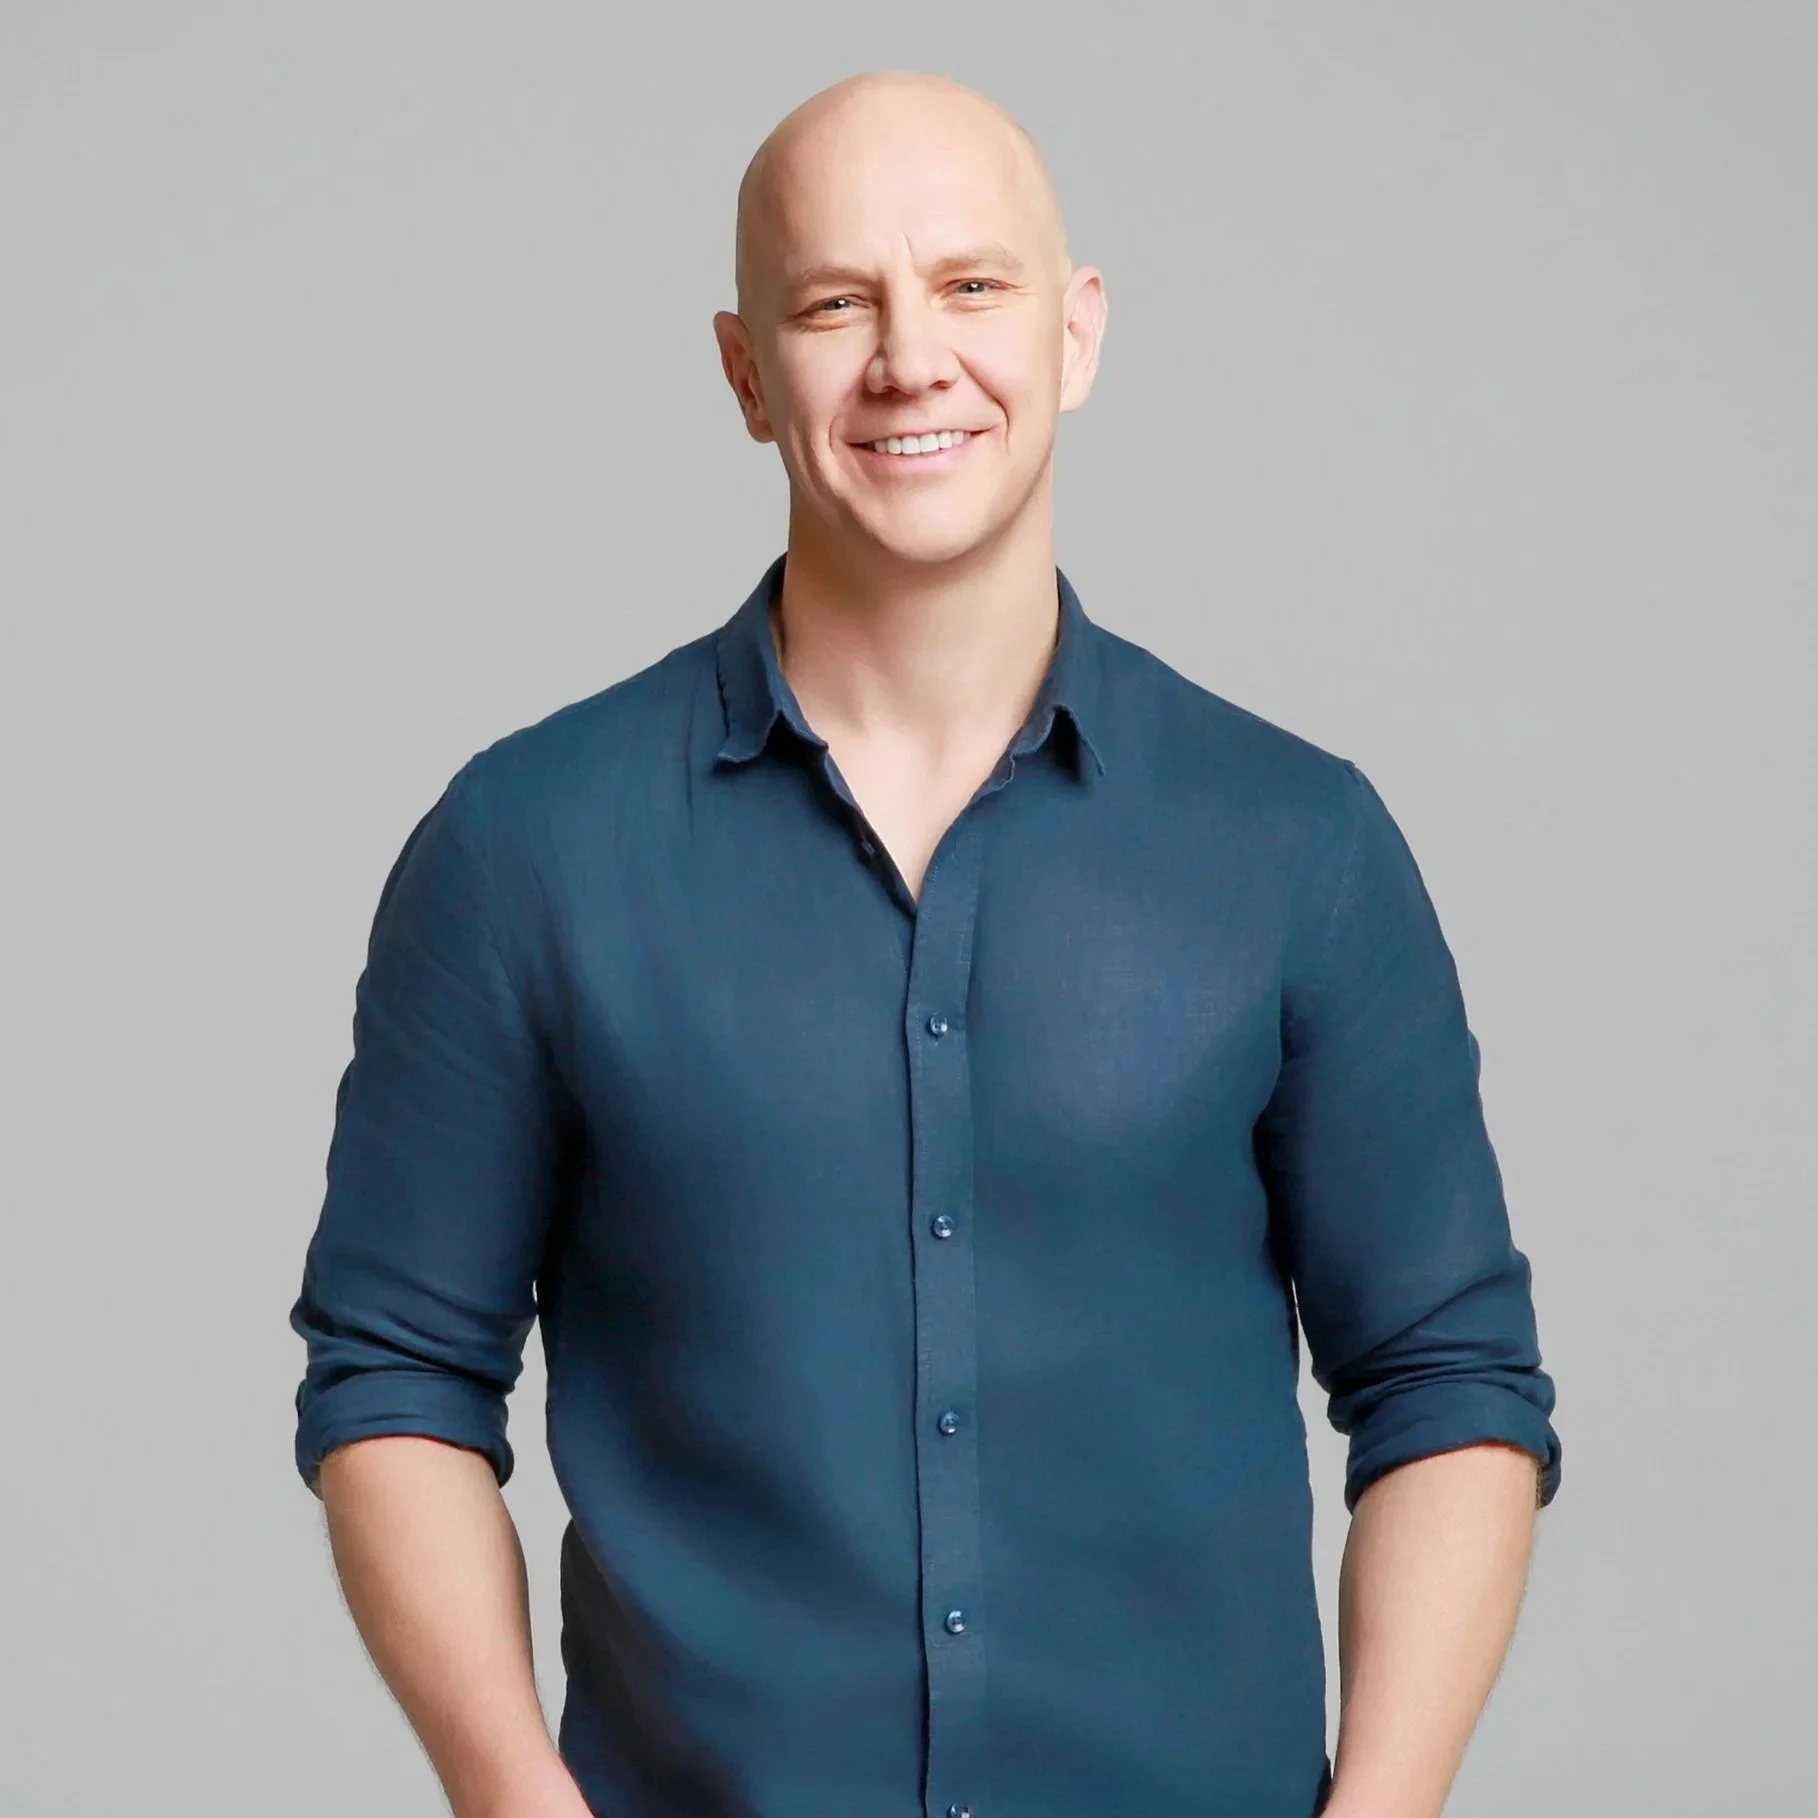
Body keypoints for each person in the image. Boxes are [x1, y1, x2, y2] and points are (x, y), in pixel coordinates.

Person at [289, 68, 1561, 1818]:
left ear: (1077, 331)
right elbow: (395, 1373)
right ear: (746, 369)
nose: (910, 358)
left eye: (971, 287)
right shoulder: (523, 850)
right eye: (835, 304)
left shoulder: (1300, 845)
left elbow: (1445, 1379)